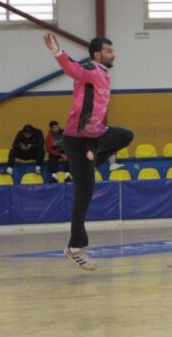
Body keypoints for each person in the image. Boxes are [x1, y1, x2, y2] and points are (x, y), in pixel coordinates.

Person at [44, 32, 134, 271]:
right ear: (97, 54)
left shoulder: (105, 75)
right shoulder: (89, 71)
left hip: (97, 136)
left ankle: (92, 162)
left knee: (126, 135)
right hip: (77, 140)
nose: (113, 54)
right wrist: (57, 52)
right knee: (84, 195)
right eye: (108, 51)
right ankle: (74, 248)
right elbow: (72, 69)